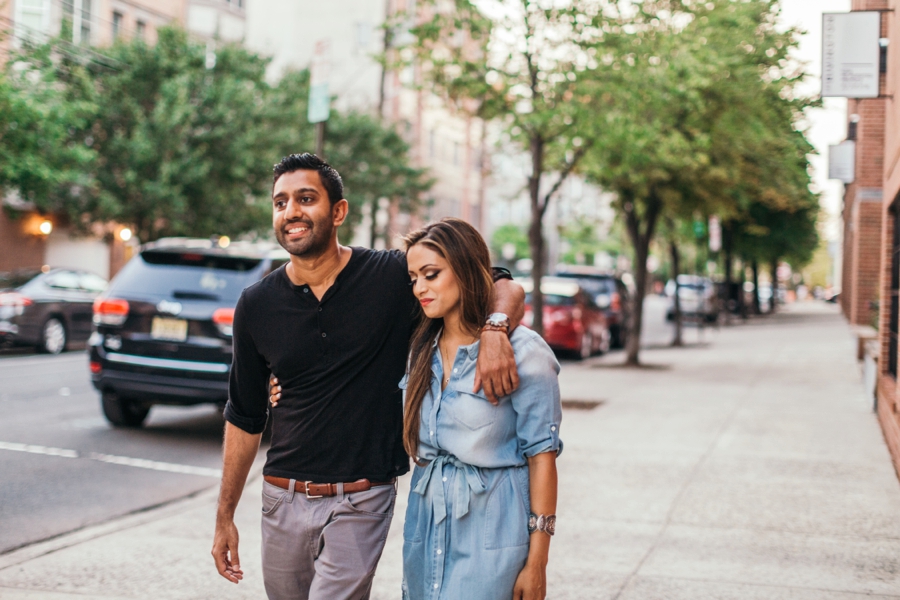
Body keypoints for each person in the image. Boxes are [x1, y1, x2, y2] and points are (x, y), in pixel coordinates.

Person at [211, 153, 525, 600]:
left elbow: (503, 284)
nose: (291, 212)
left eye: (305, 199)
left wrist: (495, 331)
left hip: (362, 496)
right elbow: (244, 414)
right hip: (282, 496)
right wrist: (224, 517)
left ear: (338, 211)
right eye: (280, 202)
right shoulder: (256, 304)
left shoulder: (391, 276)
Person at [401, 218, 562, 600]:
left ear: (466, 270)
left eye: (431, 274)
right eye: (413, 278)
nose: (419, 288)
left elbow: (542, 458)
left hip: (494, 531)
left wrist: (537, 563)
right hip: (424, 527)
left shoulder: (526, 354)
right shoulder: (419, 348)